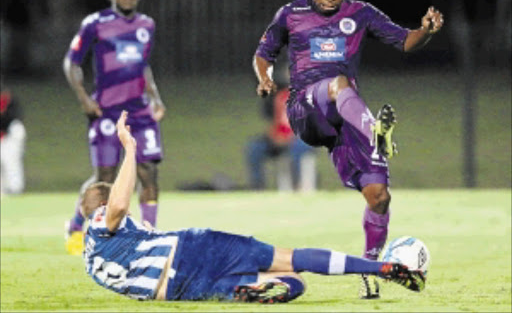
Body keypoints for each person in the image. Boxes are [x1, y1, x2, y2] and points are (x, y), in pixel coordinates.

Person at [252, 0, 443, 299]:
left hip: (346, 118)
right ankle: (375, 132)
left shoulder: (361, 13)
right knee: (339, 83)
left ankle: (370, 271)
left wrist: (425, 31)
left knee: (379, 197)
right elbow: (263, 52)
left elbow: (404, 40)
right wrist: (264, 77)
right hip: (306, 110)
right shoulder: (291, 14)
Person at [81, 111, 425, 303]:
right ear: (97, 205)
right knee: (292, 258)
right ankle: (379, 268)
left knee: (293, 283)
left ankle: (252, 288)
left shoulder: (92, 261)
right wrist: (129, 151)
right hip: (191, 251)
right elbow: (117, 207)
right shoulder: (102, 219)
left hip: (178, 290)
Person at [63, 0, 166, 255]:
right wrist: (84, 98)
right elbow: (71, 64)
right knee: (104, 176)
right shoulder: (95, 24)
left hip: (140, 113)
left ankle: (148, 236)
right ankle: (74, 225)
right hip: (107, 111)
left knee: (149, 174)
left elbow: (143, 66)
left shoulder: (147, 25)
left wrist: (155, 98)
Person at [246, 76, 317, 192]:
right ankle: (257, 187)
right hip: (278, 139)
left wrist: (290, 138)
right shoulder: (274, 99)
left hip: (300, 139)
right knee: (254, 148)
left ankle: (298, 186)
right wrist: (273, 137)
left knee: (298, 149)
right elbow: (271, 123)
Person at [0, 83, 26, 195]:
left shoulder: (9, 101)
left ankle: (15, 188)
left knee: (11, 160)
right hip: (4, 136)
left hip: (12, 134)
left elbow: (12, 119)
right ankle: (5, 188)